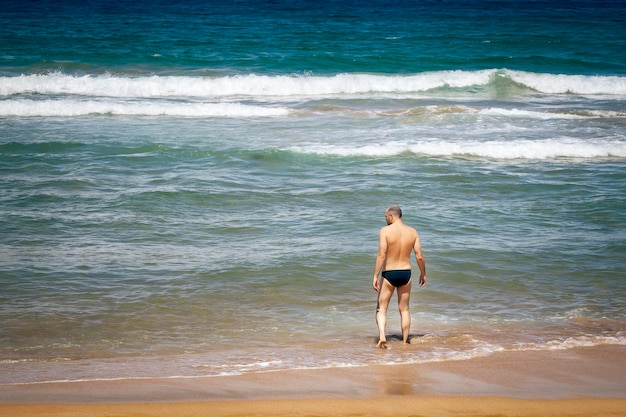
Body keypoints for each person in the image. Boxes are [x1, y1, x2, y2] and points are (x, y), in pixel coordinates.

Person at [373, 205, 426, 349]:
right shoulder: (412, 232)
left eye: (386, 217)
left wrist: (375, 276)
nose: (385, 220)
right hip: (405, 273)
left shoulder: (385, 231)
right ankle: (404, 343)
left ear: (391, 216)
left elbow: (382, 254)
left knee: (381, 309)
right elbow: (419, 256)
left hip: (389, 273)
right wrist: (423, 273)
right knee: (404, 310)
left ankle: (382, 336)